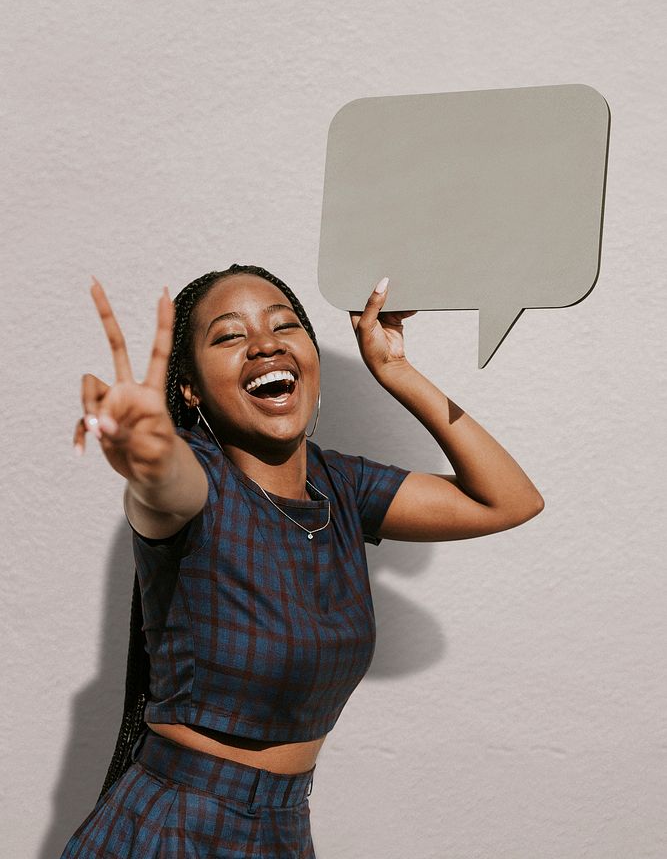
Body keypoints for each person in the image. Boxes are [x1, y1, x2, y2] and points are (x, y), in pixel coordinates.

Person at [60, 263, 544, 858]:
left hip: (284, 829)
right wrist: (147, 451)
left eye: (284, 326)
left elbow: (509, 500)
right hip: (175, 825)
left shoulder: (339, 484)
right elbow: (167, 485)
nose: (265, 344)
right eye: (230, 335)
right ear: (189, 388)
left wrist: (395, 370)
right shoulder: (199, 476)